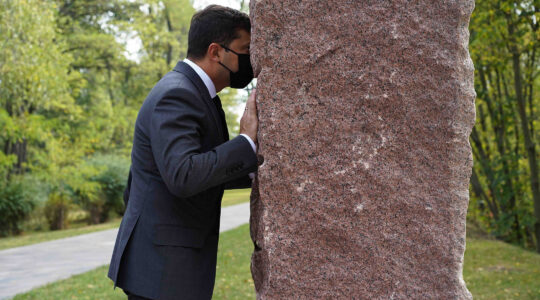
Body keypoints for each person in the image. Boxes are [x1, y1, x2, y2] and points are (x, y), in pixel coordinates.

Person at [107, 5, 258, 300]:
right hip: (161, 269)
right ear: (216, 51)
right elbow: (183, 175)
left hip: (165, 263)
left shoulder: (198, 93)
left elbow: (192, 170)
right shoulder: (177, 94)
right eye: (245, 50)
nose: (252, 61)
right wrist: (246, 142)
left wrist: (255, 167)